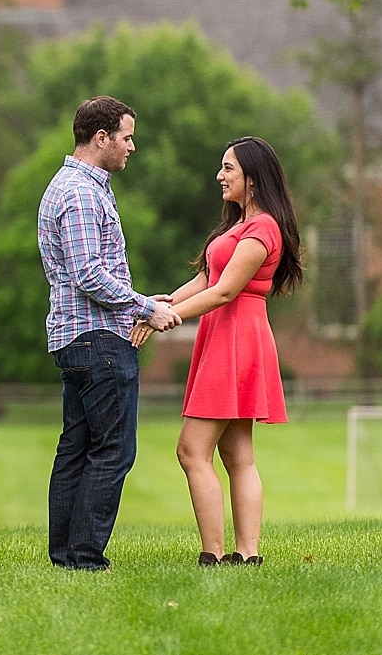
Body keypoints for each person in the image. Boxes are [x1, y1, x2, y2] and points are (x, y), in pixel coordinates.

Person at [133, 136, 303, 567]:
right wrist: (160, 304)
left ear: (253, 177)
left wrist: (169, 319)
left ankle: (214, 553)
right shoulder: (238, 226)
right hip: (226, 335)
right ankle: (246, 555)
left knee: (192, 450)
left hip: (236, 337)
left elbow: (226, 290)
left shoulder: (263, 227)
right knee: (236, 454)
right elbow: (209, 279)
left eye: (228, 168)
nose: (219, 176)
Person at [39, 96, 180, 571]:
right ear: (101, 138)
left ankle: (66, 555)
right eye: (126, 137)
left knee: (76, 448)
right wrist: (145, 307)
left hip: (79, 338)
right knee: (114, 449)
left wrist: (143, 304)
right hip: (96, 340)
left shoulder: (75, 187)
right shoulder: (80, 192)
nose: (131, 147)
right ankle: (83, 556)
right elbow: (88, 274)